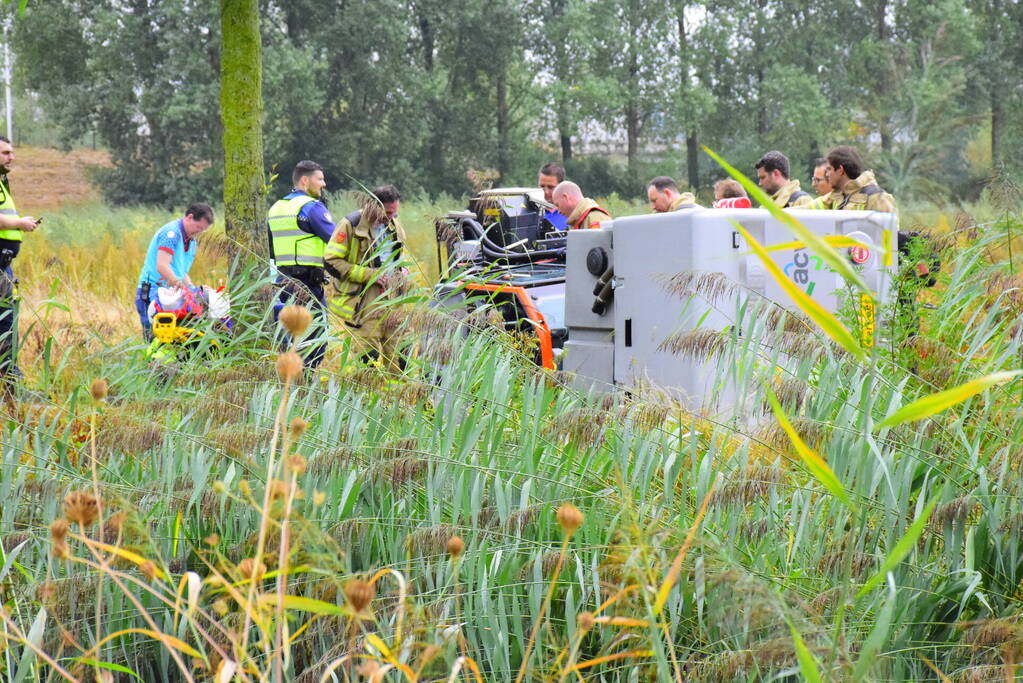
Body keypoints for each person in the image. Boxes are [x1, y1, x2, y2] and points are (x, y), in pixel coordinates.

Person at [325, 185, 409, 370]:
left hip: (393, 299)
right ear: (373, 206)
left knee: (401, 355)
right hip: (363, 303)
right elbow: (332, 262)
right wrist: (370, 275)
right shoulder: (351, 224)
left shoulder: (394, 224)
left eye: (394, 213)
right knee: (368, 359)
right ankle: (369, 388)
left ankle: (399, 387)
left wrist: (403, 270)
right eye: (387, 213)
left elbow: (400, 256)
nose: (391, 217)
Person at [268, 160, 337, 368]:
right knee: (315, 341)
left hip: (282, 283)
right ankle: (304, 381)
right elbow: (337, 241)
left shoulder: (276, 208)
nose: (324, 184)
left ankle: (288, 378)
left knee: (289, 339)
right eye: (320, 179)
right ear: (305, 181)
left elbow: (269, 249)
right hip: (307, 286)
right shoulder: (311, 207)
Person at [135, 203, 214, 341]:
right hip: (152, 290)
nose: (199, 233)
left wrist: (194, 290)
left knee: (176, 338)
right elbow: (162, 265)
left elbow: (181, 272)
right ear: (190, 217)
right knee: (156, 339)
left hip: (171, 293)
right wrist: (179, 284)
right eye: (198, 228)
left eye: (203, 231)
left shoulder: (191, 241)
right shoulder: (171, 233)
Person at [0, 136, 40, 385]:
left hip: (5, 265)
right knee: (4, 319)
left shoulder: (2, 183)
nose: (11, 157)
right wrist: (19, 223)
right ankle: (8, 376)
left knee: (8, 318)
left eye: (12, 152)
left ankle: (9, 374)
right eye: (5, 153)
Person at [820, 146, 896, 212]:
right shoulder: (836, 196)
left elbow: (887, 224)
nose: (826, 174)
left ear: (840, 170)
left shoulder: (878, 198)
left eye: (829, 169)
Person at [538, 162, 568, 231]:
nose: (546, 192)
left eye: (550, 187)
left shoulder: (571, 214)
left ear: (561, 186)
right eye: (542, 186)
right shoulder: (531, 213)